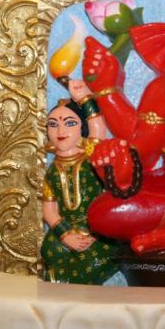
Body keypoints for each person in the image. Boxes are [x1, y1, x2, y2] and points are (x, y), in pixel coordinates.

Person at [41, 80, 118, 284]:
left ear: (82, 127)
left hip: (97, 232)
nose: (60, 131)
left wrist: (84, 97)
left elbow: (97, 126)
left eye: (69, 123)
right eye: (53, 124)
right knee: (48, 249)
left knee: (94, 260)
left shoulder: (91, 157)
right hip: (67, 231)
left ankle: (66, 285)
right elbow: (49, 211)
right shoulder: (52, 173)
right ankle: (61, 284)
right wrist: (65, 236)